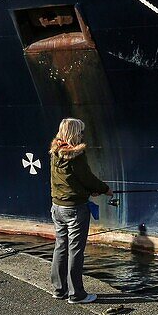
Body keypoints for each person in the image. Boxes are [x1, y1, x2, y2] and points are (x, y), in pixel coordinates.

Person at [49, 117, 111, 304]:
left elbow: (68, 181)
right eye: (81, 132)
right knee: (75, 250)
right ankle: (76, 294)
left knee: (61, 247)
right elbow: (88, 178)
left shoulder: (55, 153)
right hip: (75, 210)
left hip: (57, 207)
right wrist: (104, 189)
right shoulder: (75, 155)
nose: (83, 134)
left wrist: (85, 191)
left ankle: (59, 290)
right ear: (75, 133)